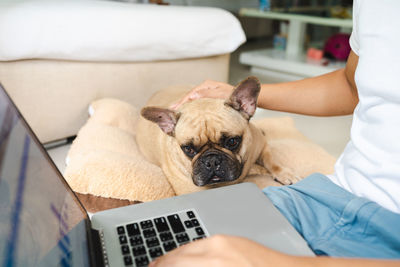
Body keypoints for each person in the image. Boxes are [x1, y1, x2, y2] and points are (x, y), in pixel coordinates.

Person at [149, 1, 400, 266]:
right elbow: (352, 86)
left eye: (231, 142)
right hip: (336, 191)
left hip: (387, 223)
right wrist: (235, 96)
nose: (211, 159)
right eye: (191, 149)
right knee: (183, 245)